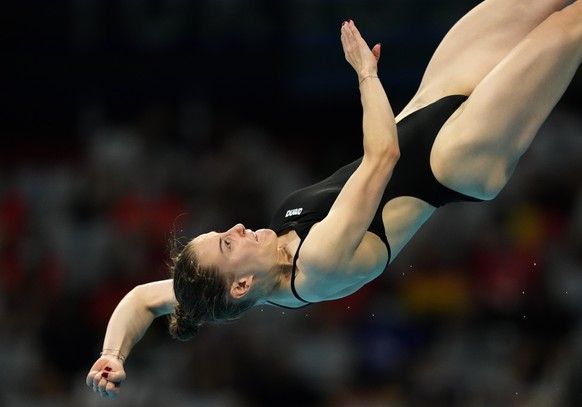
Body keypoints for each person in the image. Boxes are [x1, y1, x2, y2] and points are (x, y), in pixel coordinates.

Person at [87, 0, 582, 399]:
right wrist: (366, 74)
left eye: (220, 231)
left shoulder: (220, 285)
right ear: (239, 285)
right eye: (225, 243)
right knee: (571, 25)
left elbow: (143, 299)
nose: (234, 228)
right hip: (457, 157)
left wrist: (115, 354)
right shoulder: (317, 267)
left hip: (427, 106)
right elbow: (383, 156)